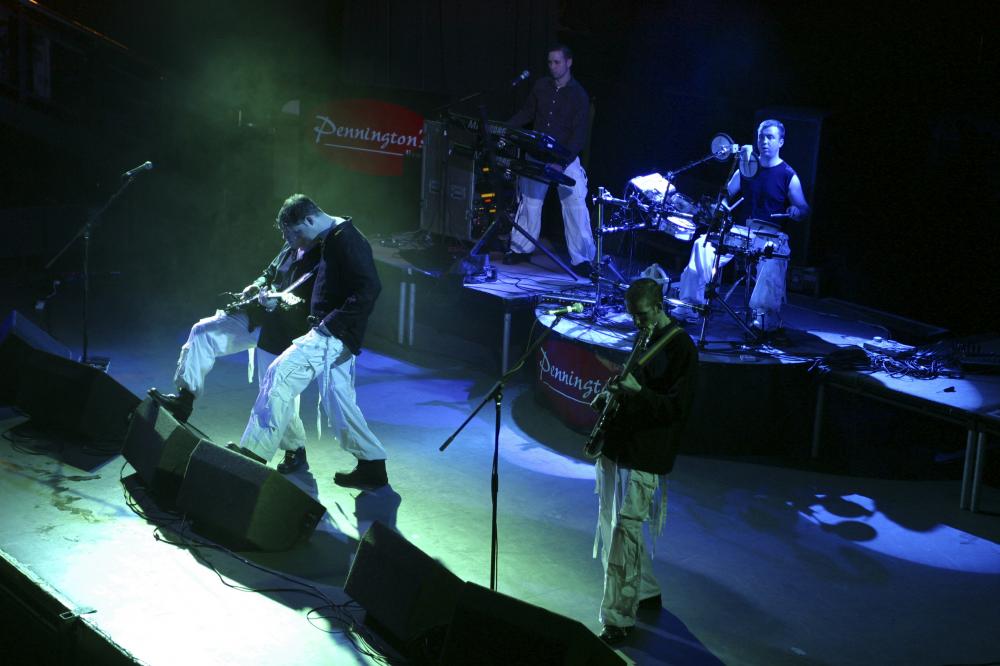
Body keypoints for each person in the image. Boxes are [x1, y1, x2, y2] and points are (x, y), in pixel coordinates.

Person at [226, 194, 389, 490]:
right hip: (333, 333)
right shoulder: (330, 238)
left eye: (296, 233)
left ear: (310, 219)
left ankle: (252, 456)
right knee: (340, 403)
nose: (295, 242)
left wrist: (332, 325)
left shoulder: (347, 240)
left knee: (279, 374)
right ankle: (372, 466)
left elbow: (369, 289)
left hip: (332, 334)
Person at [149, 234, 319, 475]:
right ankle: (184, 400)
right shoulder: (291, 245)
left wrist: (280, 305)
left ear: (306, 225)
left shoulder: (322, 256)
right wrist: (257, 285)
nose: (285, 236)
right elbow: (269, 272)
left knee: (276, 391)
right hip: (257, 316)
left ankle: (295, 448)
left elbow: (312, 304)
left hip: (284, 329)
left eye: (288, 231)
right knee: (203, 332)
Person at [591, 278, 699, 644]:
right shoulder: (645, 337)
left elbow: (678, 409)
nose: (637, 322)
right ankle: (647, 590)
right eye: (633, 316)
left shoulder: (682, 347)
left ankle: (618, 618)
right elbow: (634, 383)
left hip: (647, 451)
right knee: (613, 525)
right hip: (619, 444)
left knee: (625, 533)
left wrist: (638, 393)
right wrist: (612, 392)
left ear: (659, 306)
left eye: (642, 315)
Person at [677, 119, 810, 332]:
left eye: (770, 137)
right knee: (702, 244)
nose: (764, 141)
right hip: (740, 232)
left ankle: (764, 319)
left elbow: (804, 208)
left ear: (781, 142)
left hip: (769, 235)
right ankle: (691, 306)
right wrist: (721, 207)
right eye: (761, 137)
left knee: (774, 257)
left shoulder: (788, 175)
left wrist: (797, 211)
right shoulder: (747, 167)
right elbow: (726, 195)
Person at [503, 43, 596, 277]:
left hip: (565, 157)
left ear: (568, 62)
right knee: (530, 203)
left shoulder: (579, 95)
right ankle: (520, 249)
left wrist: (562, 164)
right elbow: (527, 113)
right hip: (538, 154)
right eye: (550, 62)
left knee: (575, 204)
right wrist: (504, 129)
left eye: (557, 62)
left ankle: (582, 259)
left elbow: (579, 135)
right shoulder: (541, 86)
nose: (552, 66)